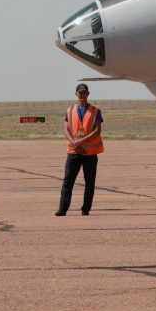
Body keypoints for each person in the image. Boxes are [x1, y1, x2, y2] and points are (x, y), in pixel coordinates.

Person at [56, 83, 104, 216]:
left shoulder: (96, 111)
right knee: (68, 180)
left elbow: (97, 131)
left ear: (88, 94)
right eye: (80, 93)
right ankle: (63, 208)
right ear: (76, 94)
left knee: (89, 181)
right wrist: (74, 143)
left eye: (84, 93)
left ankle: (85, 209)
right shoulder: (70, 110)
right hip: (74, 152)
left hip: (90, 153)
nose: (82, 95)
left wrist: (81, 142)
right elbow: (66, 129)